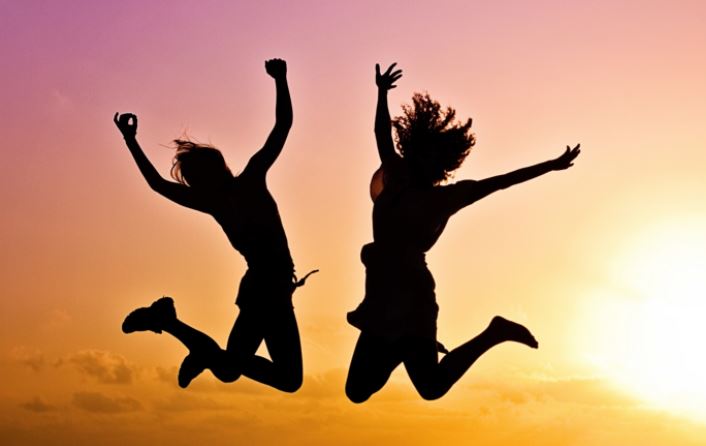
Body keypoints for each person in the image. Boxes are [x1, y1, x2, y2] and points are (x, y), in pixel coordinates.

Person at [345, 63, 580, 402]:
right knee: (357, 390)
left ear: (441, 162)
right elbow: (381, 135)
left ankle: (493, 333)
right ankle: (404, 346)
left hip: (412, 297)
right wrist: (381, 92)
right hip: (381, 295)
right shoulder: (395, 175)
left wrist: (551, 165)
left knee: (431, 387)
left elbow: (500, 182)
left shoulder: (445, 198)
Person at [115, 58, 315, 393]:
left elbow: (283, 127)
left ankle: (171, 324)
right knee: (280, 377)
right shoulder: (239, 187)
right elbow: (283, 126)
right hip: (269, 288)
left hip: (265, 287)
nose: (192, 186)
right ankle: (178, 330)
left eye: (193, 179)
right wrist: (280, 79)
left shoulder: (223, 197)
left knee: (229, 369)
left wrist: (130, 140)